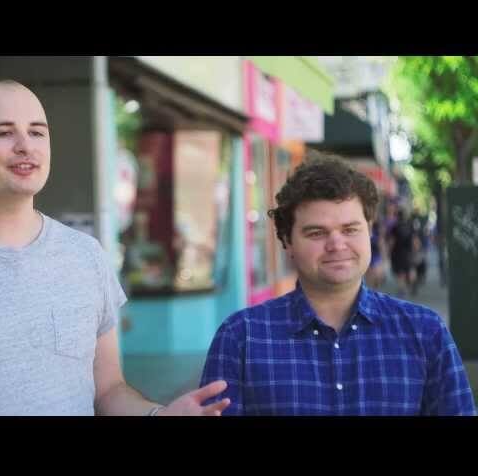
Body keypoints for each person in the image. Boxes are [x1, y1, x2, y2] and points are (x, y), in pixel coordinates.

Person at [0, 79, 230, 416]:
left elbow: (108, 390)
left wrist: (158, 415)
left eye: (37, 132)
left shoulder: (87, 257)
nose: (25, 146)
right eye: (3, 132)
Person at [199, 156, 476, 415]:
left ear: (369, 231)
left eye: (350, 229)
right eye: (316, 232)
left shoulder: (425, 332)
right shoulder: (241, 338)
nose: (336, 244)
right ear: (287, 241)